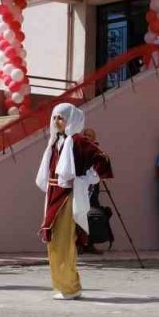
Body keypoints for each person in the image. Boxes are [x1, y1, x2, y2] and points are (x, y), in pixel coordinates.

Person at [36, 103, 113, 300]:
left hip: (67, 195)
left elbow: (102, 159)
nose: (56, 121)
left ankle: (70, 286)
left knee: (64, 240)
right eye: (54, 117)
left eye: (60, 117)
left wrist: (86, 178)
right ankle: (61, 283)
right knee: (53, 239)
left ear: (70, 119)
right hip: (53, 193)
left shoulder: (77, 141)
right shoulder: (54, 141)